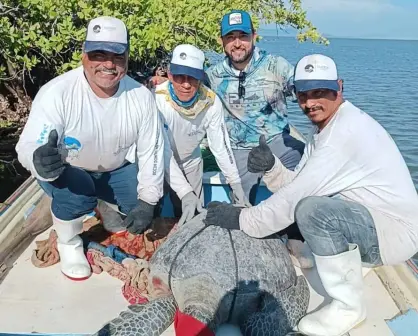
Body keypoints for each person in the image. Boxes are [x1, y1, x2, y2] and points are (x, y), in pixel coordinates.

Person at [204, 54, 418, 336]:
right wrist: (271, 167)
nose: (309, 103)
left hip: (395, 233)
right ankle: (352, 264)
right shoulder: (326, 128)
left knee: (311, 211)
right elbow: (298, 183)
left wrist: (242, 219)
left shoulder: (346, 133)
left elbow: (297, 200)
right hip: (371, 219)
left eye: (319, 93)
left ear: (339, 87)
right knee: (306, 207)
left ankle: (348, 306)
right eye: (303, 95)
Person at [15, 16, 165, 281]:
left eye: (117, 55)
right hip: (70, 169)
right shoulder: (57, 92)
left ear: (127, 57)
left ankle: (108, 210)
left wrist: (147, 201)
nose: (108, 64)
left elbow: (152, 150)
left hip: (115, 169)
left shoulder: (140, 97)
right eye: (99, 54)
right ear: (84, 56)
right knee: (79, 194)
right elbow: (28, 144)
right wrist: (38, 158)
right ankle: (69, 242)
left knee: (146, 208)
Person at [205, 10, 312, 268]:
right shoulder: (213, 74)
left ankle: (296, 237)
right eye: (230, 37)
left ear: (254, 36)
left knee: (305, 169)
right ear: (222, 41)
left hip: (277, 142)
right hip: (238, 149)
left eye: (243, 35)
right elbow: (186, 91)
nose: (237, 43)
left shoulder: (276, 65)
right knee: (240, 205)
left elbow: (304, 90)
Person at [155, 44, 250, 225]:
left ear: (200, 78)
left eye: (192, 78)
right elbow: (161, 151)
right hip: (158, 162)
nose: (185, 84)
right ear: (169, 74)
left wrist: (235, 184)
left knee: (192, 219)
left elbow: (220, 147)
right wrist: (184, 192)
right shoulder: (156, 99)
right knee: (152, 211)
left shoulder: (211, 103)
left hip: (190, 163)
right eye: (179, 77)